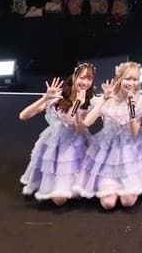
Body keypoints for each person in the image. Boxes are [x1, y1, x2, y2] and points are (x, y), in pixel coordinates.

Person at [76, 62, 142, 208]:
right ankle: (111, 185)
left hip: (130, 150)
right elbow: (86, 123)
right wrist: (104, 99)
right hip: (108, 150)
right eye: (128, 79)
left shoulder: (141, 100)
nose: (131, 83)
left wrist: (131, 109)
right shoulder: (108, 96)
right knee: (108, 204)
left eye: (135, 80)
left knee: (128, 202)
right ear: (119, 78)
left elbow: (134, 132)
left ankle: (125, 186)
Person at [18, 63, 95, 204]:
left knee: (75, 194)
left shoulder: (90, 101)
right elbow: (23, 116)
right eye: (82, 77)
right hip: (54, 143)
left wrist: (78, 105)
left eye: (89, 79)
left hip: (76, 145)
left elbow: (78, 128)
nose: (85, 82)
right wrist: (45, 98)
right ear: (74, 76)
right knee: (60, 200)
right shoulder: (57, 96)